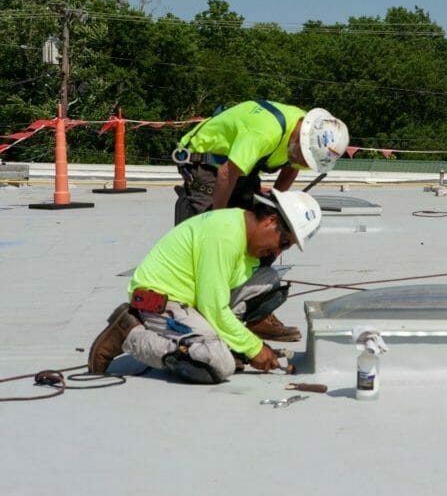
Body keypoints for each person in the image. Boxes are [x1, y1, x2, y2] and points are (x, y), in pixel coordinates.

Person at [87, 189, 323, 383]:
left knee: (268, 279)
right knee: (217, 362)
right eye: (283, 242)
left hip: (194, 299)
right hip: (160, 300)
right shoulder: (224, 237)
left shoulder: (240, 227)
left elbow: (216, 298)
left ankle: (214, 338)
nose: (278, 252)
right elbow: (214, 307)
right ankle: (129, 333)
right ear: (270, 221)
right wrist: (254, 348)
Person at [172, 100, 348, 341]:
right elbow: (226, 173)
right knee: (208, 242)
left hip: (243, 168)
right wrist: (215, 222)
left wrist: (276, 207)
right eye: (304, 157)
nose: (303, 162)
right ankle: (195, 319)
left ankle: (254, 315)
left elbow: (291, 167)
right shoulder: (265, 130)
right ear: (301, 138)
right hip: (209, 165)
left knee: (266, 234)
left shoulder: (305, 136)